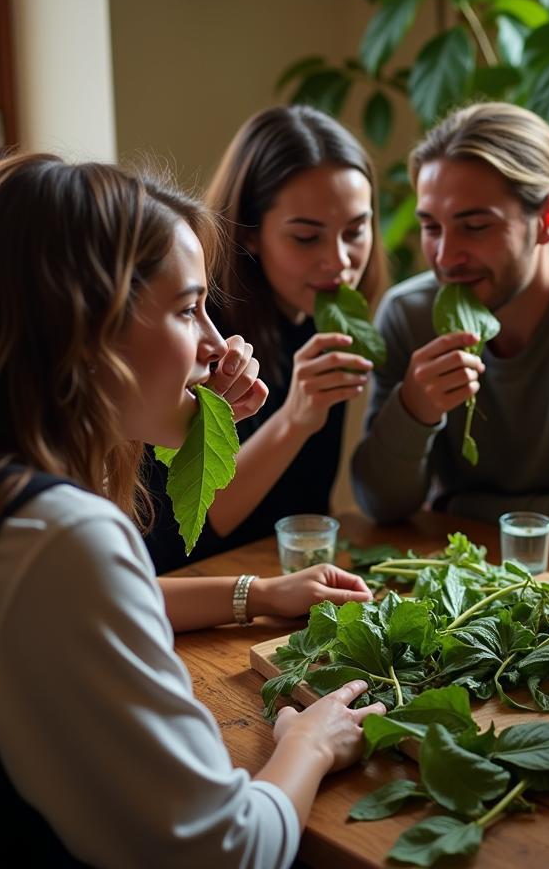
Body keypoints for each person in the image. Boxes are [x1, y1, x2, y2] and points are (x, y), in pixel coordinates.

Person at [0, 154, 384, 866]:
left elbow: (80, 601)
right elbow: (226, 848)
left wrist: (256, 593)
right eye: (188, 311)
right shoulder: (55, 540)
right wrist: (309, 743)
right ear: (84, 332)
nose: (216, 345)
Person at [351, 102, 549, 549]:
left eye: (475, 226)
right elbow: (380, 505)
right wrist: (413, 409)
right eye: (431, 227)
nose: (445, 257)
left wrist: (454, 506)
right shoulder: (407, 313)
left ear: (546, 221)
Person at [145, 105, 387, 573]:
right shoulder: (198, 336)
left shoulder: (325, 317)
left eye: (355, 231)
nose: (339, 262)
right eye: (306, 238)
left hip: (285, 577)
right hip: (202, 583)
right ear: (251, 234)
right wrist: (296, 418)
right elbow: (184, 533)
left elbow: (307, 507)